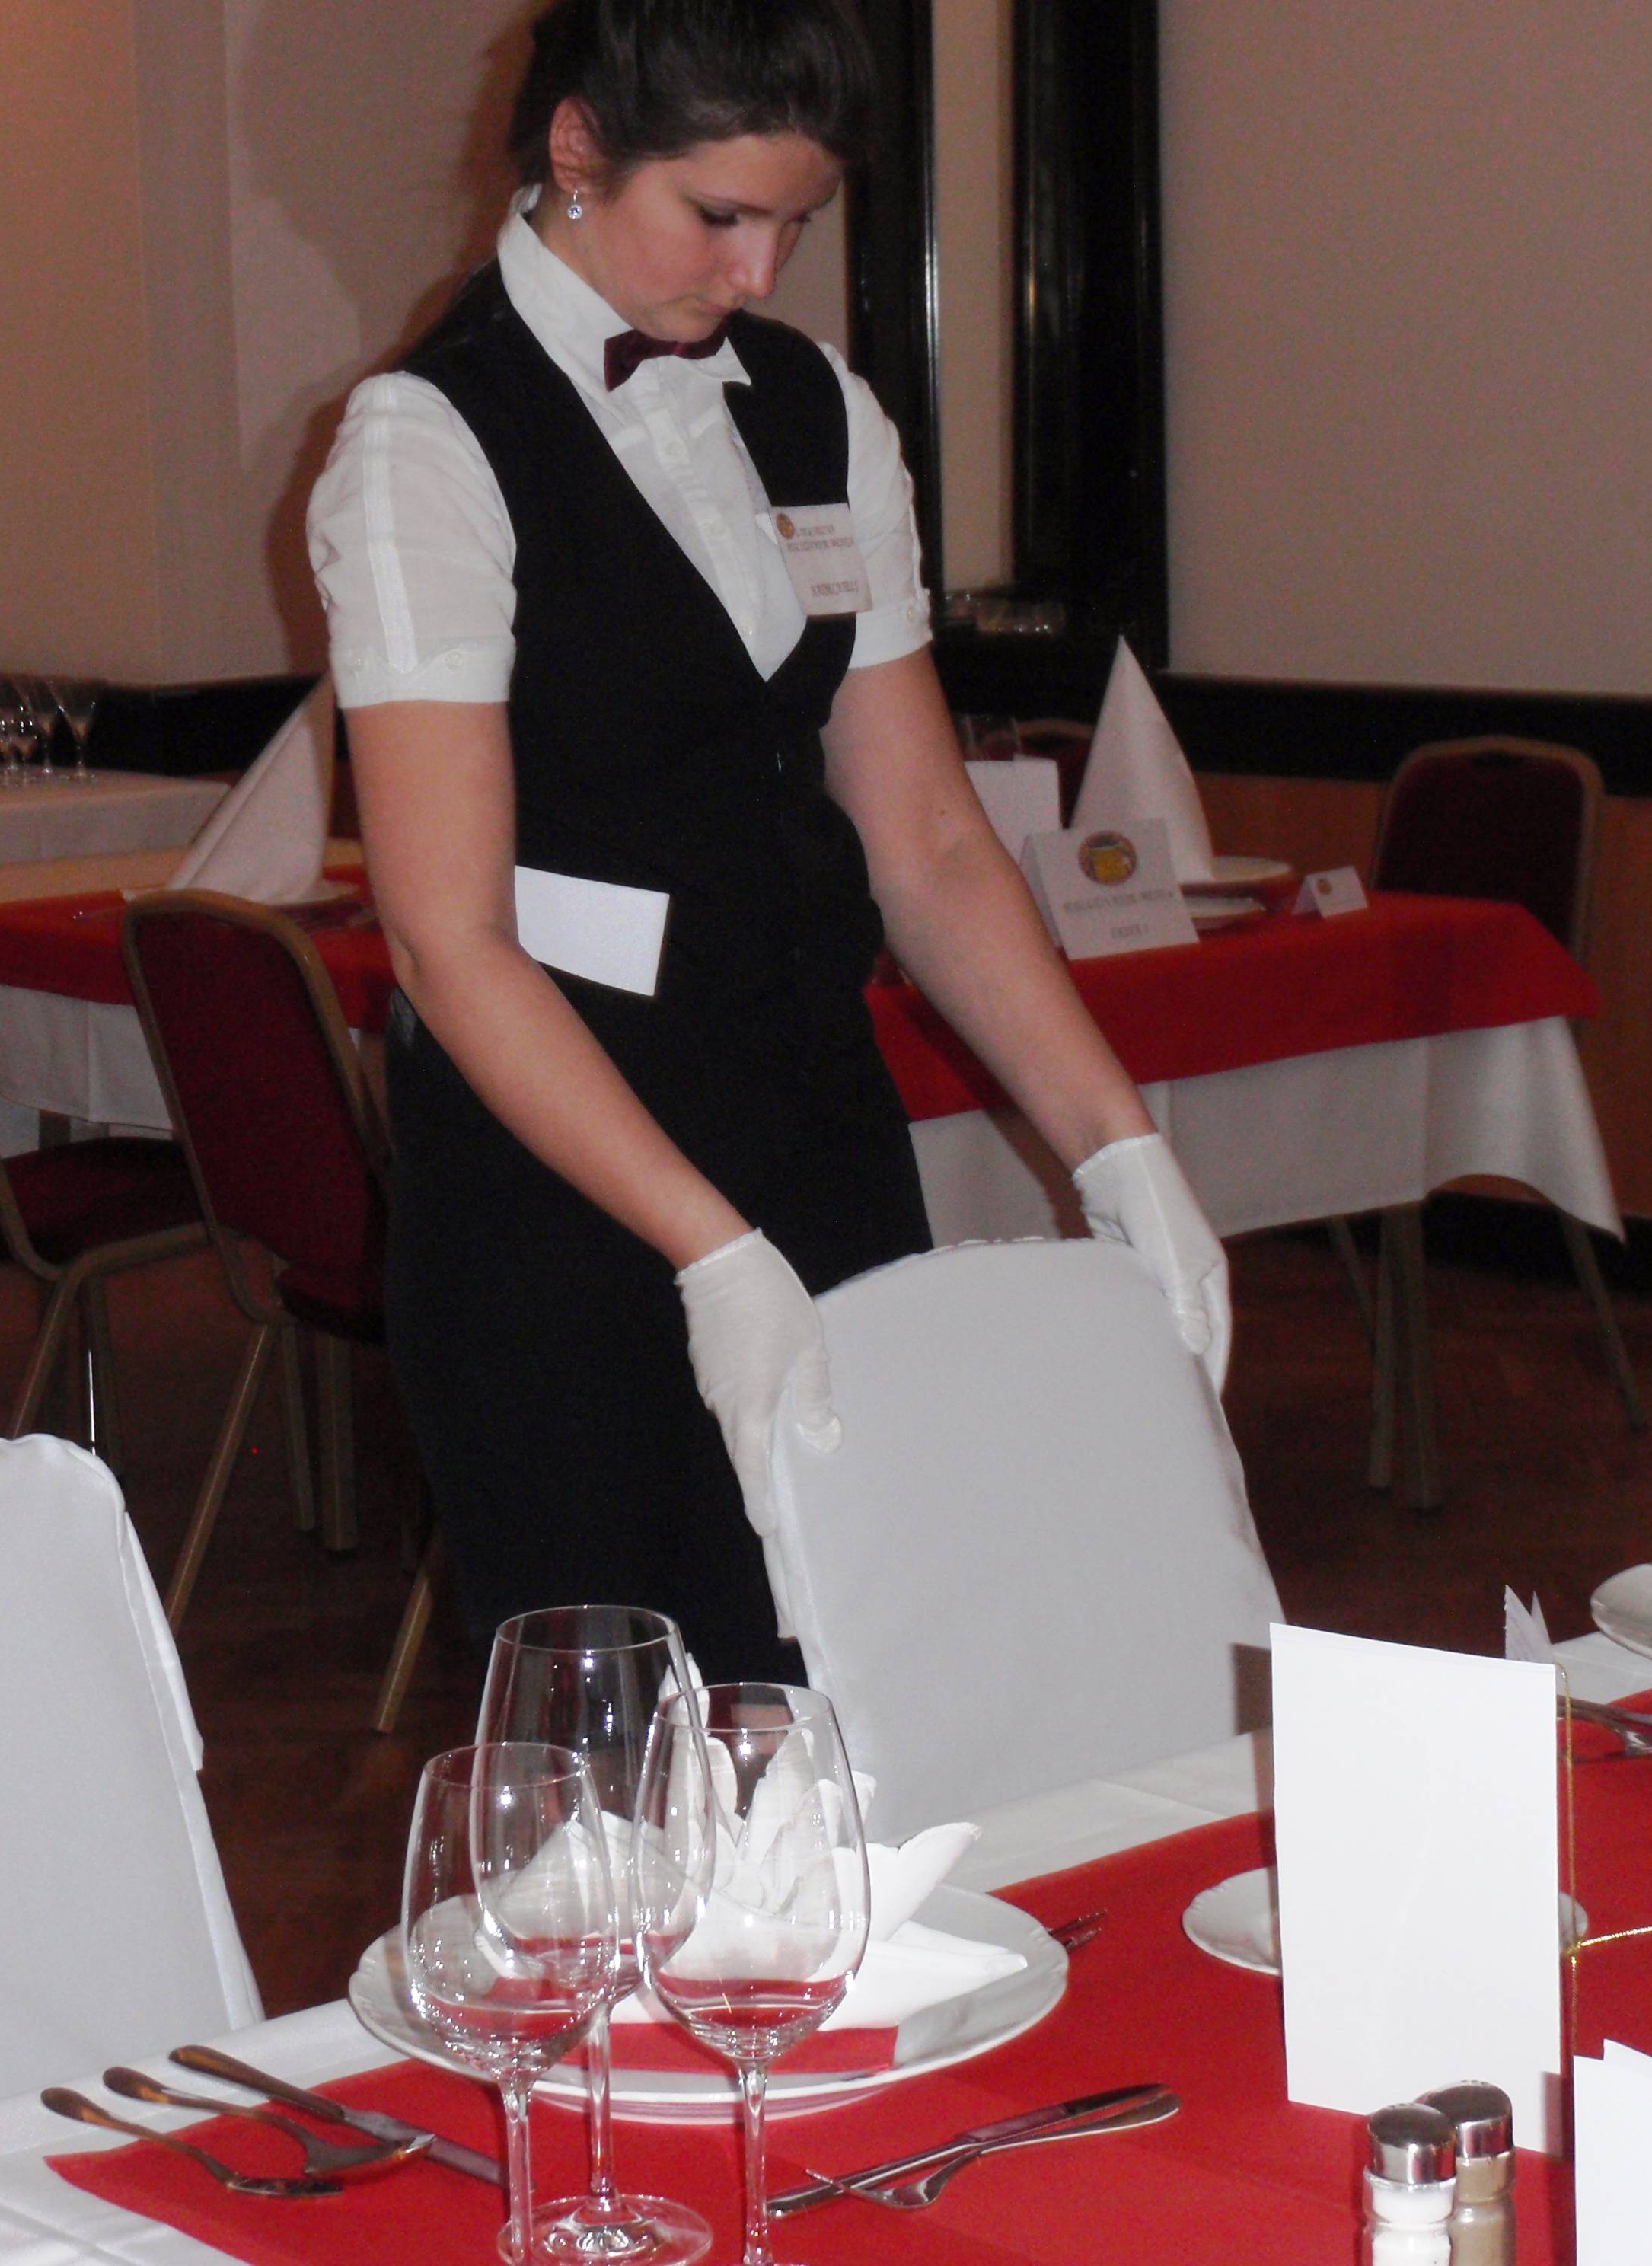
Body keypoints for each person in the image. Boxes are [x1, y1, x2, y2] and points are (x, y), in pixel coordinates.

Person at [308, 0, 1231, 1680]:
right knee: (638, 1736)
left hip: (817, 1136)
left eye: (795, 224)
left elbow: (927, 842)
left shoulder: (820, 411)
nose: (756, 273)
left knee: (868, 1692)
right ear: (579, 147)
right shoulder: (426, 443)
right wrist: (709, 1251)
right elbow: (452, 940)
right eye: (720, 215)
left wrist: (1118, 1148)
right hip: (562, 1195)